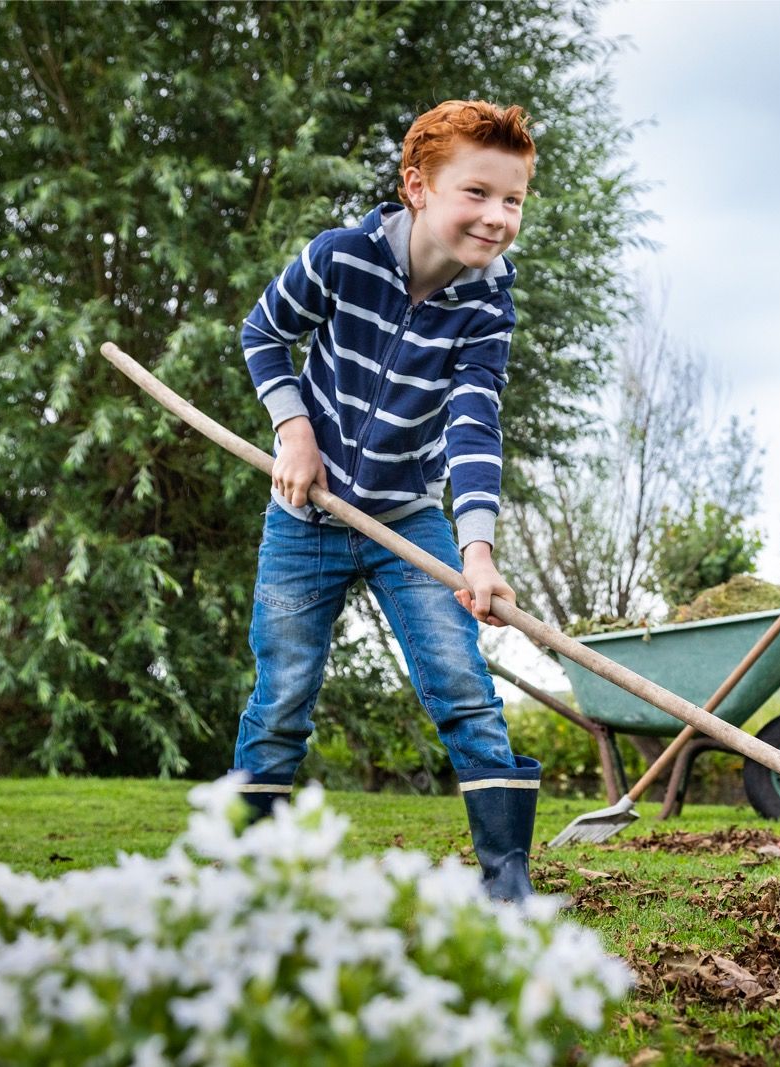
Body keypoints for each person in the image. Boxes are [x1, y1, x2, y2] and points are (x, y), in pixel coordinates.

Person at [230, 99, 538, 901]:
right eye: (477, 192)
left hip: (408, 515)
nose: (497, 217)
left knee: (464, 687)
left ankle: (508, 890)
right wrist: (293, 432)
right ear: (417, 187)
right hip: (306, 519)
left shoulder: (487, 304)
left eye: (512, 200)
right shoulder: (340, 257)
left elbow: (474, 424)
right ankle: (245, 876)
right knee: (284, 692)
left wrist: (477, 554)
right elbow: (262, 333)